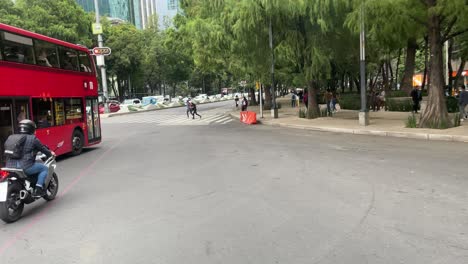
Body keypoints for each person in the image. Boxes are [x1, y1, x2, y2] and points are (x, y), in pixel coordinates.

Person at [4, 119, 55, 197]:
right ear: (31, 128)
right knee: (44, 168)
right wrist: (50, 154)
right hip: (25, 166)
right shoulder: (33, 139)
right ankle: (38, 189)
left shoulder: (14, 137)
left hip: (9, 166)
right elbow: (43, 149)